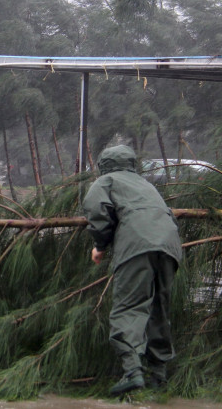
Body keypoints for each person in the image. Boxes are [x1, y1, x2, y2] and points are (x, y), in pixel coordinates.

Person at [81, 144, 182, 396]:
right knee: (159, 306)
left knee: (129, 307)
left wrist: (100, 246)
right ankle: (159, 374)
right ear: (132, 164)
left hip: (137, 244)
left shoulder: (106, 181)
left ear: (103, 165)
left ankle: (132, 372)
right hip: (169, 244)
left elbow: (96, 210)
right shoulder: (145, 184)